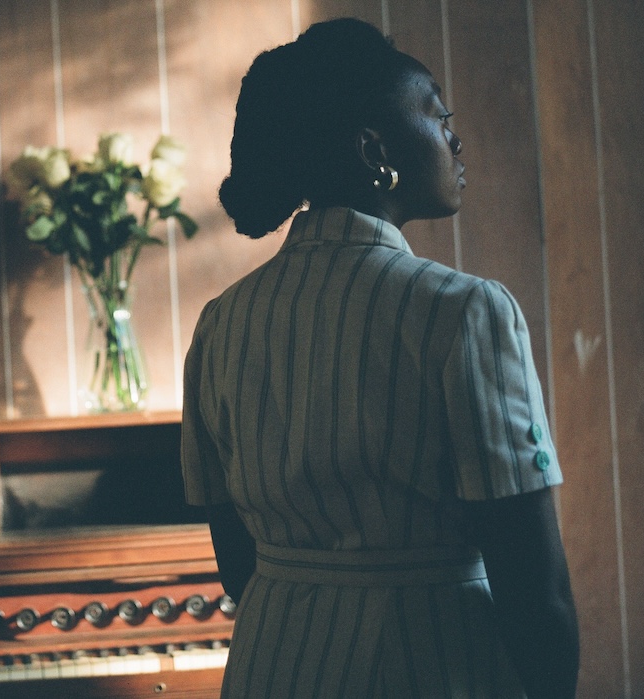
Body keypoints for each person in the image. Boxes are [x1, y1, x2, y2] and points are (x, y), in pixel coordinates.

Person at [180, 18, 579, 698]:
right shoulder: (464, 310)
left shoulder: (222, 322)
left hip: (270, 663)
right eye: (437, 113)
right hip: (432, 663)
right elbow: (533, 587)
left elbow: (234, 552)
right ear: (373, 151)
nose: (455, 138)